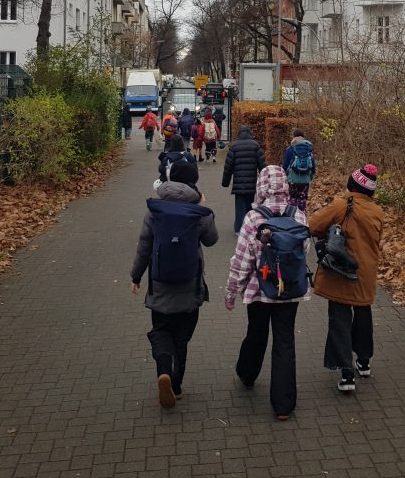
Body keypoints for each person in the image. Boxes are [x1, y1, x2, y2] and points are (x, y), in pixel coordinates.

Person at [225, 165, 309, 420]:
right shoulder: (298, 215)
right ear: (285, 184)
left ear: (261, 185)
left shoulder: (253, 218)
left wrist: (231, 292)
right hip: (289, 290)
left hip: (259, 290)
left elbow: (242, 261)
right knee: (285, 341)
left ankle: (247, 374)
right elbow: (303, 250)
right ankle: (283, 405)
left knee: (256, 332)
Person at [130, 161, 217, 408]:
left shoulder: (155, 210)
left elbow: (144, 247)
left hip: (160, 284)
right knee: (181, 337)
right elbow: (211, 240)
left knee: (161, 331)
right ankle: (176, 386)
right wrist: (204, 208)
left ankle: (163, 371)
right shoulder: (197, 211)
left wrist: (136, 277)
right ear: (194, 181)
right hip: (190, 285)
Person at [308, 164, 384, 394]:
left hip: (342, 270)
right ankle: (364, 362)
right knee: (363, 314)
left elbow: (313, 225)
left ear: (352, 185)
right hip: (366, 270)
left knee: (339, 318)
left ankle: (346, 373)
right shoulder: (377, 211)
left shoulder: (342, 204)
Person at [221, 125, 265, 234]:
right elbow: (262, 165)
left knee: (239, 206)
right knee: (250, 205)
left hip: (238, 183)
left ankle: (239, 229)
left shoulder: (234, 146)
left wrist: (225, 182)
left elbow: (228, 166)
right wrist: (264, 181)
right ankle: (249, 227)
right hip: (251, 182)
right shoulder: (255, 146)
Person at [281, 129, 316, 211]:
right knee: (302, 198)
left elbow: (285, 165)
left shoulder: (290, 148)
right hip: (305, 179)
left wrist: (284, 175)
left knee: (293, 197)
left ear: (294, 137)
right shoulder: (309, 149)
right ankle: (302, 214)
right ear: (303, 137)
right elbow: (313, 164)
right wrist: (311, 176)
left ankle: (292, 214)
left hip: (292, 179)